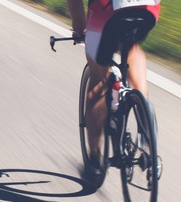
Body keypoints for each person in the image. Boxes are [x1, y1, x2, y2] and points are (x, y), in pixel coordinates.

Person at [67, 0, 161, 179]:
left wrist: (79, 27)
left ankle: (94, 160)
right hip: (147, 9)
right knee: (131, 45)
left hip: (107, 12)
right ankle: (143, 104)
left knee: (98, 79)